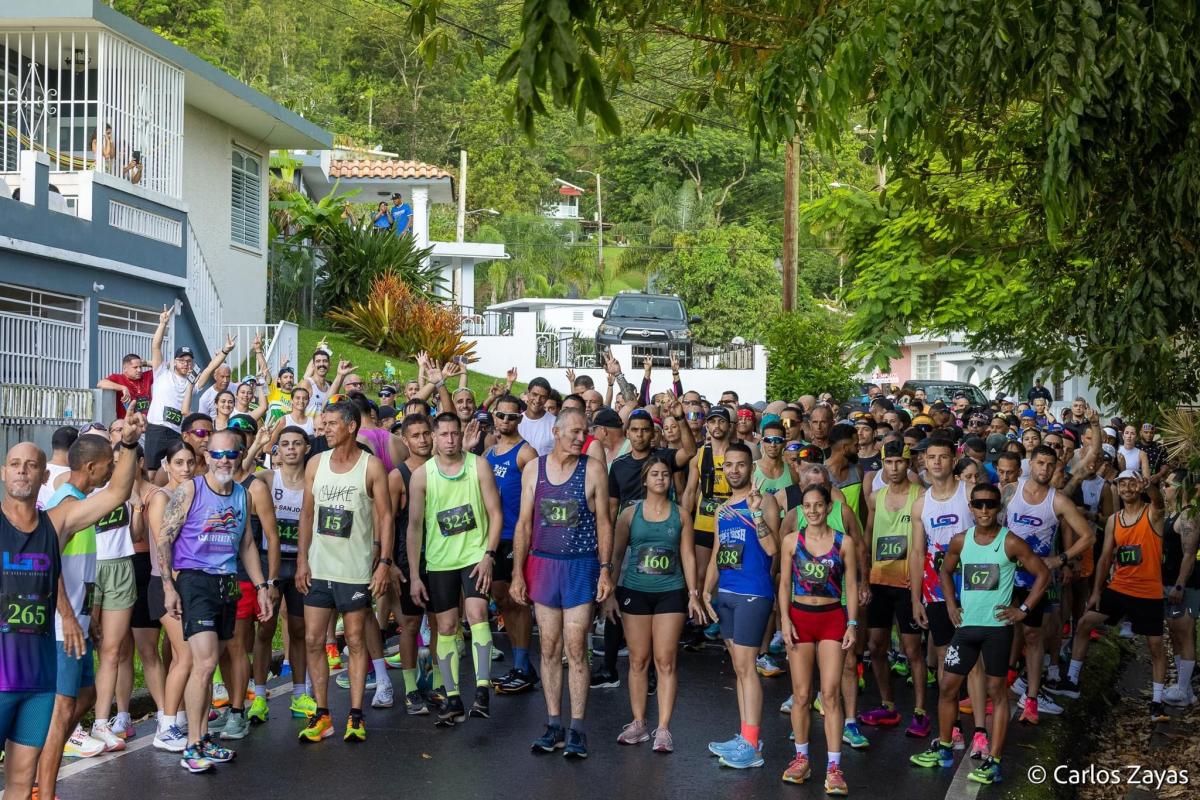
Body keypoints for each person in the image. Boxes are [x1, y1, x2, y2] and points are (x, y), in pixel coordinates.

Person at [3, 423, 143, 800]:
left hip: (39, 672)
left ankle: (43, 792)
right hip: (3, 670)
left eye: (31, 465)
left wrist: (128, 444)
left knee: (20, 781)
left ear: (44, 474)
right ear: (3, 472)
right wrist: (67, 613)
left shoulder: (57, 522)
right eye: (14, 464)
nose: (22, 471)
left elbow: (117, 492)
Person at [910, 482, 1051, 786]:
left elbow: (1043, 574)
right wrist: (950, 604)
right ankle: (945, 748)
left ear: (998, 508)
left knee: (997, 693)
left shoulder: (1011, 542)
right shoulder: (961, 541)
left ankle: (994, 762)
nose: (985, 510)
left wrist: (1023, 610)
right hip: (966, 628)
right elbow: (944, 571)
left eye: (991, 505)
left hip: (997, 630)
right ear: (971, 508)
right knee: (948, 687)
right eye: (979, 505)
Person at [154, 429, 273, 773]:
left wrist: (262, 585)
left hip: (228, 581)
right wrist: (168, 586)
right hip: (194, 580)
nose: (223, 460)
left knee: (214, 660)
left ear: (239, 456)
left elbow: (248, 544)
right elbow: (165, 538)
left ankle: (204, 738)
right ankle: (192, 745)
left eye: (230, 454)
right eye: (217, 454)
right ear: (207, 457)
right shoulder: (191, 489)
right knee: (203, 663)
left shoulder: (241, 494)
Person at [511, 407, 614, 759]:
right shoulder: (533, 469)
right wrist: (516, 574)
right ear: (555, 432)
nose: (579, 438)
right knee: (549, 647)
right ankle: (554, 723)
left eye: (583, 432)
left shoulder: (594, 469)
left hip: (579, 566)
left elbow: (604, 522)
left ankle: (578, 728)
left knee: (576, 647)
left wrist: (605, 568)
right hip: (542, 564)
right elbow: (524, 524)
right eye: (573, 432)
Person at [296, 399, 393, 744]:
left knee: (353, 639)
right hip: (320, 566)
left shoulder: (371, 466)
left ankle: (355, 714)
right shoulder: (315, 464)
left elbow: (385, 517)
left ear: (351, 426)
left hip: (354, 570)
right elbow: (307, 514)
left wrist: (383, 563)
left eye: (332, 424)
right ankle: (323, 715)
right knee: (312, 640)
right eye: (324, 424)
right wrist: (302, 560)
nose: (324, 429)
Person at [406, 412, 504, 724]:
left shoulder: (479, 466)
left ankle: (483, 690)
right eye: (444, 434)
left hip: (475, 555)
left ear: (462, 435)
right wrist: (413, 574)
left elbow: (495, 513)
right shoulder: (422, 475)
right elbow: (414, 527)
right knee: (445, 627)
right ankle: (452, 697)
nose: (450, 440)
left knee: (476, 616)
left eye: (454, 433)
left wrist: (489, 554)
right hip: (440, 561)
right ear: (434, 437)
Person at [608, 455, 702, 752]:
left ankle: (663, 728)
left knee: (665, 659)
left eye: (664, 474)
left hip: (670, 592)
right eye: (655, 474)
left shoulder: (681, 514)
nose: (661, 478)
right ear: (645, 480)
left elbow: (688, 556)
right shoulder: (629, 514)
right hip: (635, 591)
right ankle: (638, 722)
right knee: (638, 659)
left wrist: (694, 593)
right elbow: (616, 555)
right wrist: (609, 593)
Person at [1060, 471, 1169, 720]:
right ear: (1117, 489)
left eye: (1132, 484)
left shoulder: (1151, 513)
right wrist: (1097, 590)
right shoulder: (1114, 520)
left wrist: (1149, 488)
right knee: (1085, 623)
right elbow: (1106, 557)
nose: (1128, 489)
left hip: (1148, 591)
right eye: (1123, 484)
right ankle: (1072, 680)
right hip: (1120, 587)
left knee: (1155, 646)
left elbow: (1159, 503)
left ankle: (1157, 701)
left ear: (1139, 487)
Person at [1002, 444, 1094, 725]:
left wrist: (1061, 559)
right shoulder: (1010, 490)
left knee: (1033, 637)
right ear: (1030, 464)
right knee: (1002, 631)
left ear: (1056, 468)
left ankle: (1031, 698)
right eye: (1039, 463)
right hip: (1005, 575)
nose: (1044, 469)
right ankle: (1002, 687)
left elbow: (1088, 536)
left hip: (1036, 580)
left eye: (1049, 465)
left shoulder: (1059, 500)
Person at [703, 445, 780, 770]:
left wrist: (757, 513)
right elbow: (718, 553)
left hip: (753, 594)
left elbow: (772, 547)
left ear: (751, 468)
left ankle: (753, 744)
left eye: (741, 465)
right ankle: (745, 735)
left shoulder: (764, 501)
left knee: (747, 668)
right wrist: (706, 590)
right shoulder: (722, 510)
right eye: (729, 466)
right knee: (738, 668)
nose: (734, 470)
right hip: (727, 593)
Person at [778, 484, 857, 794]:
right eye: (807, 506)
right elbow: (784, 585)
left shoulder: (844, 543)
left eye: (818, 505)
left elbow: (851, 585)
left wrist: (852, 624)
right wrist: (784, 621)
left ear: (828, 508)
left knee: (831, 693)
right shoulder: (790, 541)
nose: (812, 511)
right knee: (800, 694)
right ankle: (801, 759)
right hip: (799, 620)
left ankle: (834, 767)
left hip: (832, 620)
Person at [908, 437, 984, 752]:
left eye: (943, 457)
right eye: (931, 457)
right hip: (935, 589)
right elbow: (916, 552)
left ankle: (980, 731)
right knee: (944, 656)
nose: (937, 463)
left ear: (954, 460)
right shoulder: (921, 504)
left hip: (974, 587)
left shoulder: (969, 494)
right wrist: (915, 598)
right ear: (924, 462)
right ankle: (950, 728)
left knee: (975, 658)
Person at [859, 441, 930, 737]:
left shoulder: (921, 496)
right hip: (879, 580)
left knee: (912, 649)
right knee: (876, 646)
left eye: (900, 462)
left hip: (907, 582)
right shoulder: (876, 496)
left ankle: (921, 711)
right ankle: (887, 705)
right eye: (889, 463)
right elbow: (869, 533)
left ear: (909, 463)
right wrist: (864, 577)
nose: (894, 468)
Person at [247, 427, 312, 724]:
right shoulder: (267, 479)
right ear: (277, 450)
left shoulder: (313, 480)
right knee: (265, 630)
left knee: (299, 631)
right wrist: (257, 446)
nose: (290, 449)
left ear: (306, 447)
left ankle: (300, 693)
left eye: (296, 443)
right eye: (284, 444)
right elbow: (240, 473)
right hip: (269, 563)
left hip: (300, 564)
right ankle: (259, 695)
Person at [381, 414, 436, 712]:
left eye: (427, 433)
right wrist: (387, 562)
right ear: (406, 440)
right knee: (411, 625)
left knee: (442, 625)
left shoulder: (444, 467)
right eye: (416, 435)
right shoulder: (396, 476)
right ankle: (412, 688)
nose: (423, 439)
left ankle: (439, 684)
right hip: (407, 558)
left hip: (442, 557)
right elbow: (387, 520)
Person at [486, 396, 540, 695]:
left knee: (516, 600)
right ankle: (523, 665)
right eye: (500, 415)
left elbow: (539, 494)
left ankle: (521, 664)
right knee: (501, 598)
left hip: (515, 536)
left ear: (519, 419)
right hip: (493, 536)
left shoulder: (525, 453)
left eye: (510, 416)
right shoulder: (490, 452)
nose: (504, 421)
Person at [145, 441, 196, 752]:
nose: (186, 469)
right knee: (186, 655)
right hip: (165, 585)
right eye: (178, 463)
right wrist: (170, 587)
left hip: (190, 584)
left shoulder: (193, 494)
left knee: (190, 657)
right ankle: (166, 726)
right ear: (166, 465)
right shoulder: (161, 498)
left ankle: (180, 719)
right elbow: (164, 546)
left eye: (190, 462)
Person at [1161, 471, 1198, 707]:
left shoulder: (1188, 517)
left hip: (1184, 585)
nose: (1164, 488)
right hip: (1168, 582)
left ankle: (1184, 690)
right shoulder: (1171, 514)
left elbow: (1189, 554)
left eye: (1167, 484)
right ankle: (1184, 687)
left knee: (1184, 633)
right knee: (1174, 633)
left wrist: (1180, 585)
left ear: (1180, 488)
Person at [97, 349, 158, 420]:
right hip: (127, 424)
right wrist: (123, 388)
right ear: (125, 368)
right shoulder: (118, 378)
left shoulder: (146, 376)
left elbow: (165, 366)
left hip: (146, 424)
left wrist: (145, 363)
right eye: (135, 367)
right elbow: (100, 383)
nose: (139, 370)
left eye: (140, 367)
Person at [518, 377, 557, 456]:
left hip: (543, 468)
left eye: (543, 397)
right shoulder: (515, 420)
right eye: (535, 394)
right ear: (528, 393)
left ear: (547, 399)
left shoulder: (556, 423)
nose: (538, 400)